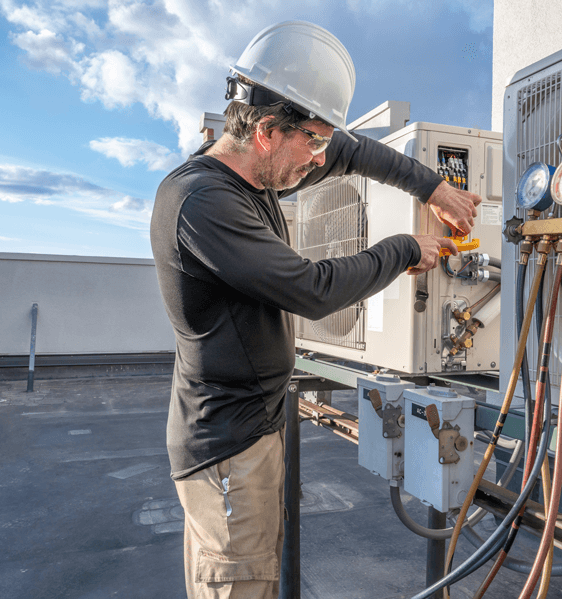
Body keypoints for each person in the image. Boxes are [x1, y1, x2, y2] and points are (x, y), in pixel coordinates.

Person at [150, 21, 482, 599]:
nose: (321, 158)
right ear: (266, 132)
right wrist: (404, 249)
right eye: (313, 144)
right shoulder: (202, 201)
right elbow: (312, 289)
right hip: (227, 445)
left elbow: (354, 152)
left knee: (253, 573)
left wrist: (434, 190)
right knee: (237, 580)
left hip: (253, 430)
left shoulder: (262, 173)